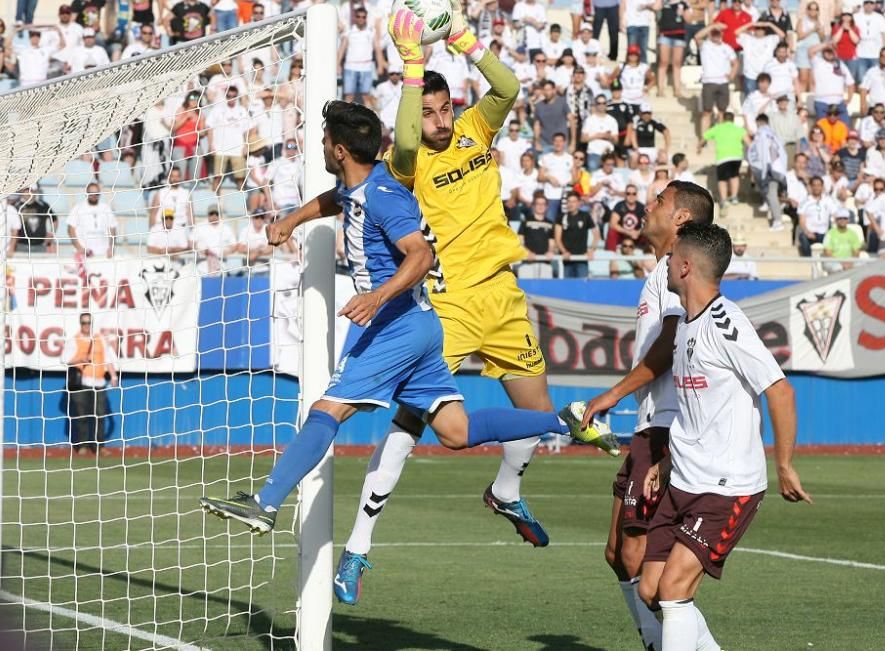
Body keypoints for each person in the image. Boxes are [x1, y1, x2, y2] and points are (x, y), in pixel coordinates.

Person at [199, 100, 618, 583]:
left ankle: (265, 503)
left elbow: (419, 255)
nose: (319, 148)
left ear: (338, 150)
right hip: (421, 326)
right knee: (455, 432)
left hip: (395, 326)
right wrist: (294, 219)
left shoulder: (384, 196)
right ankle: (563, 420)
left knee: (328, 409)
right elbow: (338, 199)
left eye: (323, 143)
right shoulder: (362, 184)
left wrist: (376, 297)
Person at [329, 4, 622, 604]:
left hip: (503, 297)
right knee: (411, 422)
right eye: (429, 111)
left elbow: (508, 85)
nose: (439, 120)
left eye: (444, 109)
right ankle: (358, 547)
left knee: (535, 416)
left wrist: (462, 38)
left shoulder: (476, 130)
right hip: (447, 305)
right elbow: (404, 138)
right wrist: (414, 67)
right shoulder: (404, 165)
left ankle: (507, 492)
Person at [636, 221, 811, 650]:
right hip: (683, 480)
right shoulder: (685, 327)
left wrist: (785, 466)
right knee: (650, 588)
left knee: (674, 589)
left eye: (672, 259)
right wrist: (665, 462)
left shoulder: (725, 321)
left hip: (727, 487)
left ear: (685, 267)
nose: (667, 266)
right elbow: (698, 414)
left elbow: (781, 391)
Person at [564, 180, 715, 651]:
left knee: (641, 561)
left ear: (681, 220)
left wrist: (610, 395)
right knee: (617, 553)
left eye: (660, 201)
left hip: (668, 427)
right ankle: (658, 642)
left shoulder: (677, 273)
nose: (649, 207)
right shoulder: (660, 273)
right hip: (650, 423)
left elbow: (670, 345)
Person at [62, 312, 118, 455]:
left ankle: (99, 447)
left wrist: (113, 375)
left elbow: (108, 359)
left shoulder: (100, 339)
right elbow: (65, 359)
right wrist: (81, 358)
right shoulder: (73, 340)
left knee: (100, 415)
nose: (86, 325)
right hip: (82, 382)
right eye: (84, 323)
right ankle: (82, 446)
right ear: (80, 324)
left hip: (99, 382)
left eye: (88, 322)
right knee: (82, 415)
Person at [699, 112, 748, 214]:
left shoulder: (718, 128)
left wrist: (699, 147)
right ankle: (734, 197)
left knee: (722, 179)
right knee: (734, 176)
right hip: (736, 156)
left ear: (724, 119)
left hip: (723, 157)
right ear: (733, 119)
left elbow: (705, 136)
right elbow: (748, 141)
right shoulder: (738, 129)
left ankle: (724, 199)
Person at [694, 23, 738, 133]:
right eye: (714, 34)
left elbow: (735, 62)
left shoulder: (727, 48)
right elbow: (697, 36)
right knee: (707, 111)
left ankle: (719, 136)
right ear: (710, 34)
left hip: (723, 82)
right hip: (709, 81)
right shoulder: (705, 45)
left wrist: (732, 74)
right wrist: (712, 26)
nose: (716, 36)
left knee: (722, 112)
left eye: (718, 34)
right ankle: (704, 138)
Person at [747, 113, 788, 230]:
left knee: (772, 194)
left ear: (759, 122)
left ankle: (778, 221)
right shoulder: (774, 134)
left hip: (769, 169)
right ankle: (767, 203)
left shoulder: (762, 134)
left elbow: (764, 153)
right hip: (777, 168)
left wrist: (765, 169)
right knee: (769, 193)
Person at [554, 192, 598, 277]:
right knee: (567, 287)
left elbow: (596, 235)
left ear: (579, 203)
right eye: (569, 201)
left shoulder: (585, 216)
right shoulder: (561, 217)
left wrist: (591, 250)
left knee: (582, 287)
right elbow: (557, 239)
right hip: (567, 259)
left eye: (573, 201)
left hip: (582, 259)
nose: (571, 204)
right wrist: (564, 252)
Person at [67, 183, 117, 258]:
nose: (94, 196)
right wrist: (79, 248)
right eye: (91, 194)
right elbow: (70, 230)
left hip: (103, 254)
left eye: (96, 194)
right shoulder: (78, 208)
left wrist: (111, 247)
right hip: (84, 254)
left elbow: (112, 228)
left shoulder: (106, 208)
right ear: (86, 194)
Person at [517, 192, 556, 278]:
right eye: (538, 203)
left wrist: (550, 251)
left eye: (543, 204)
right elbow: (519, 241)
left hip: (545, 264)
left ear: (547, 206)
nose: (540, 206)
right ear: (533, 206)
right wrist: (527, 252)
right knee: (526, 291)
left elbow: (552, 243)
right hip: (527, 263)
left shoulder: (550, 223)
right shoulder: (525, 222)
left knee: (546, 291)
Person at [797, 175, 838, 256]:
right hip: (810, 233)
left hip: (824, 233)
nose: (816, 188)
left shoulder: (828, 200)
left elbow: (836, 214)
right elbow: (801, 220)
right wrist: (807, 232)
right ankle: (808, 262)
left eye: (819, 185)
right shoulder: (805, 201)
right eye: (814, 185)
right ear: (811, 187)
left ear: (822, 187)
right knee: (803, 237)